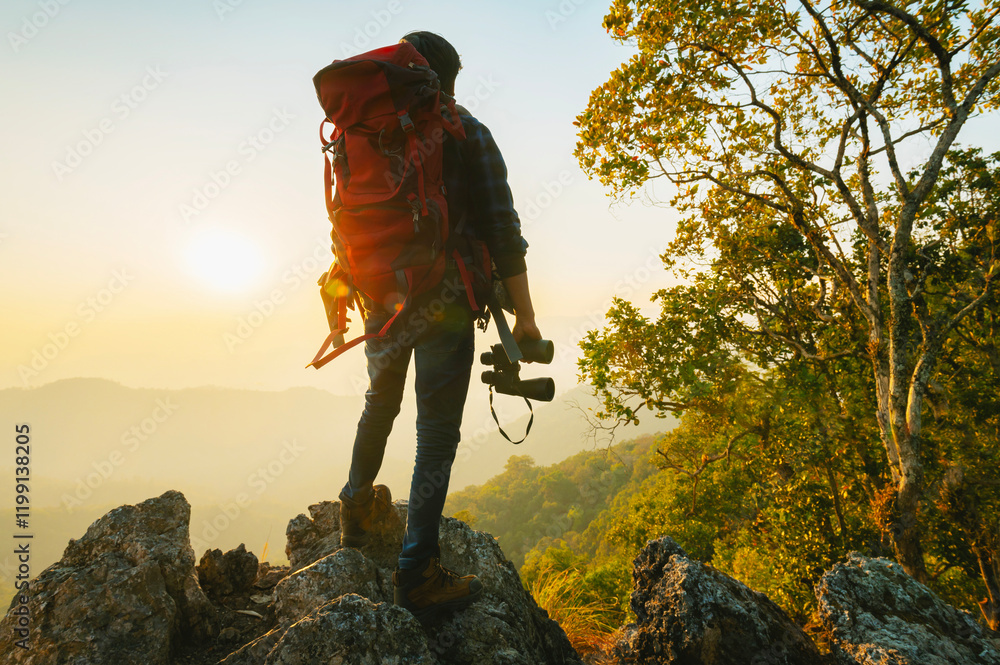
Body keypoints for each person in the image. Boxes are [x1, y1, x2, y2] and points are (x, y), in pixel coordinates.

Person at [335, 31, 541, 623]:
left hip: (381, 292)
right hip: (445, 298)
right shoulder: (466, 132)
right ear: (448, 81)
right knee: (436, 436)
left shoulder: (367, 132)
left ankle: (354, 510)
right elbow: (503, 230)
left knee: (380, 401)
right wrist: (525, 319)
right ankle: (418, 571)